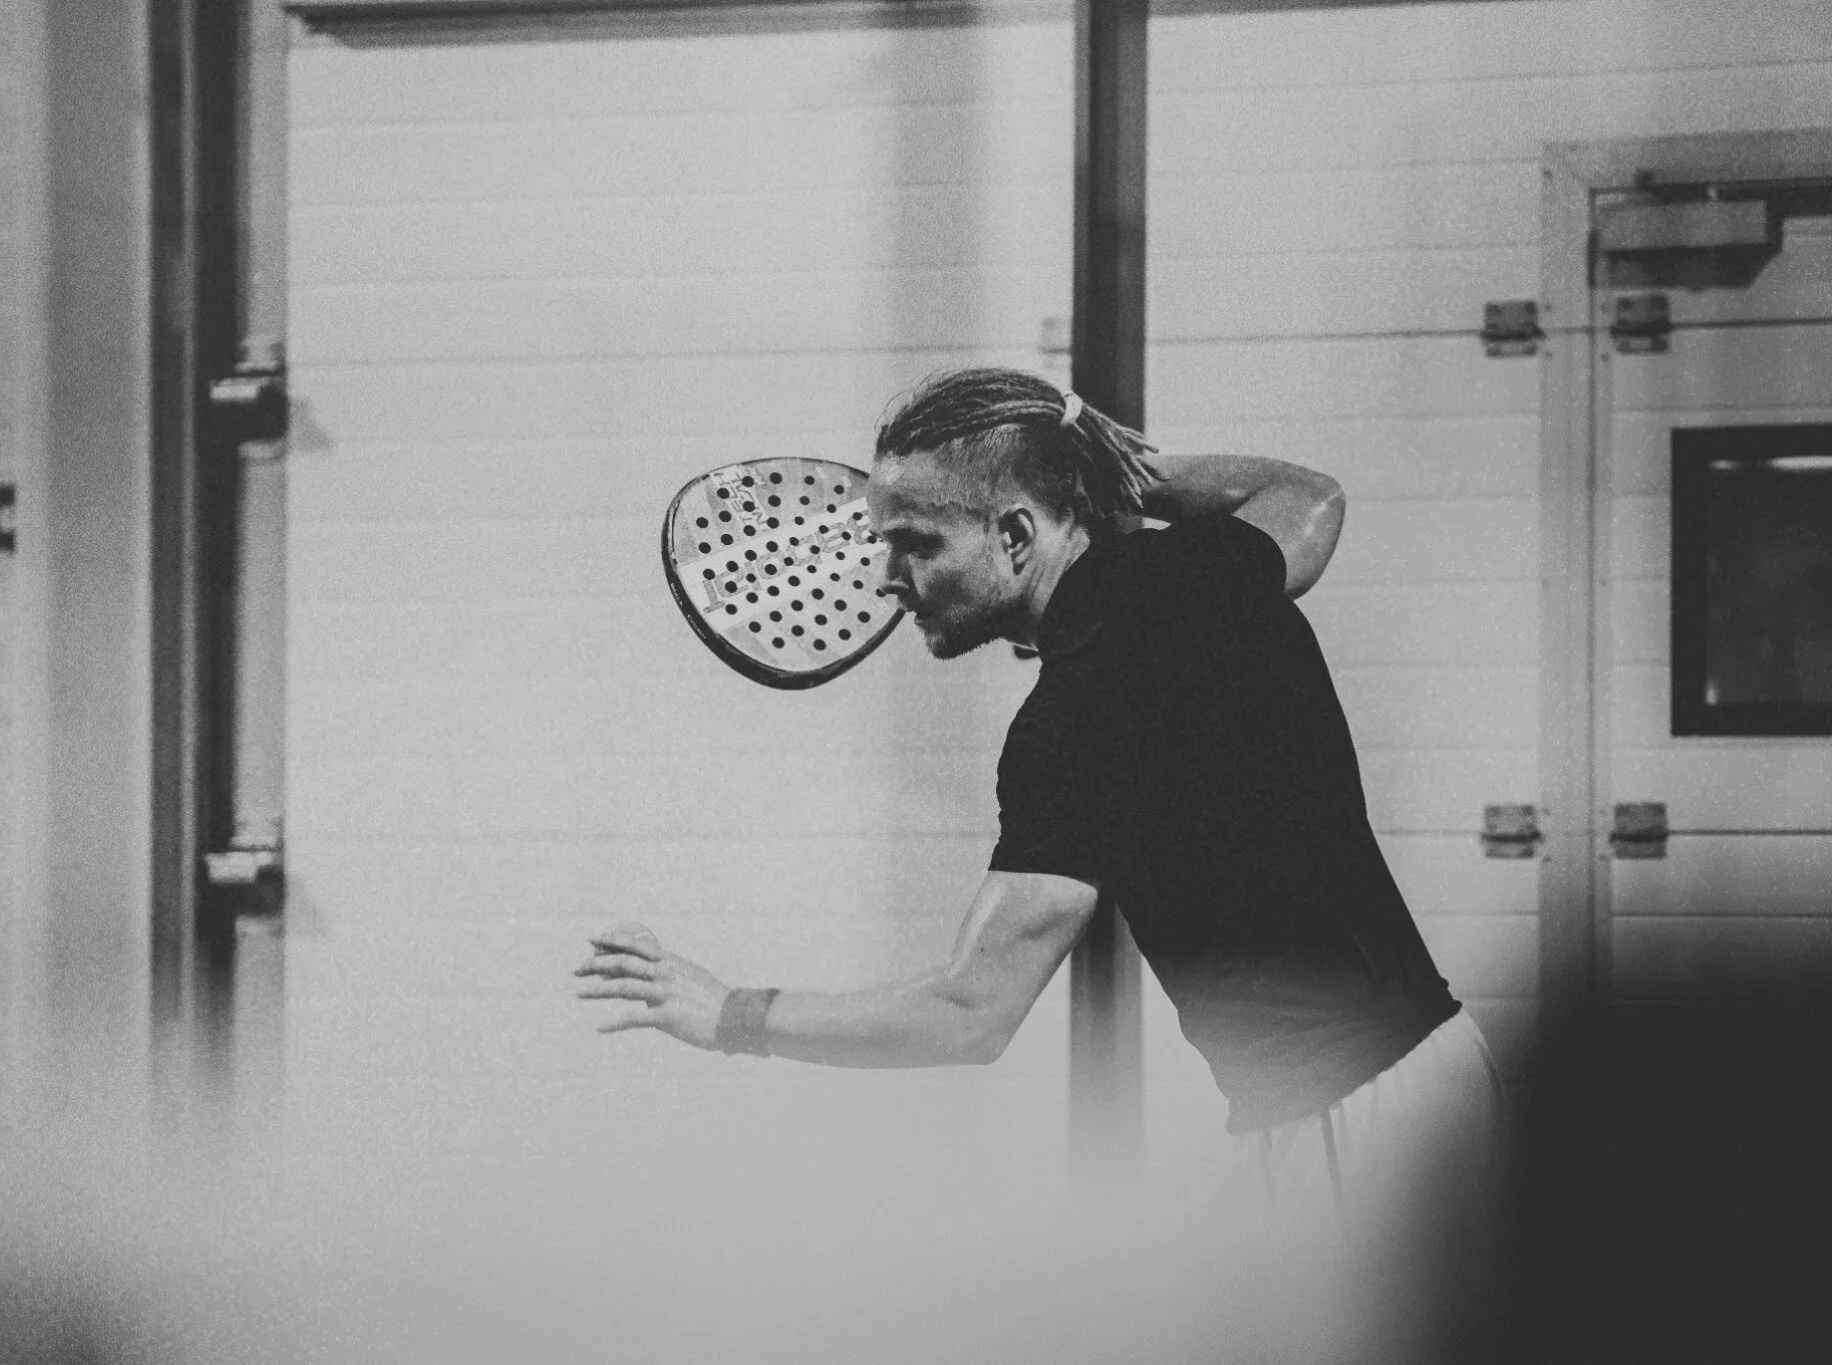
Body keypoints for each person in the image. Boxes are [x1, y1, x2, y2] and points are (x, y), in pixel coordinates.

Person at [577, 366, 1503, 1229]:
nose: (890, 581)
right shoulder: (1202, 573)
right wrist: (1110, 471)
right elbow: (1309, 500)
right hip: (1440, 1075)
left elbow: (971, 1014)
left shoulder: (1076, 717)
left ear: (1015, 535)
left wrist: (730, 1013)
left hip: (1348, 1133)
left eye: (915, 544)